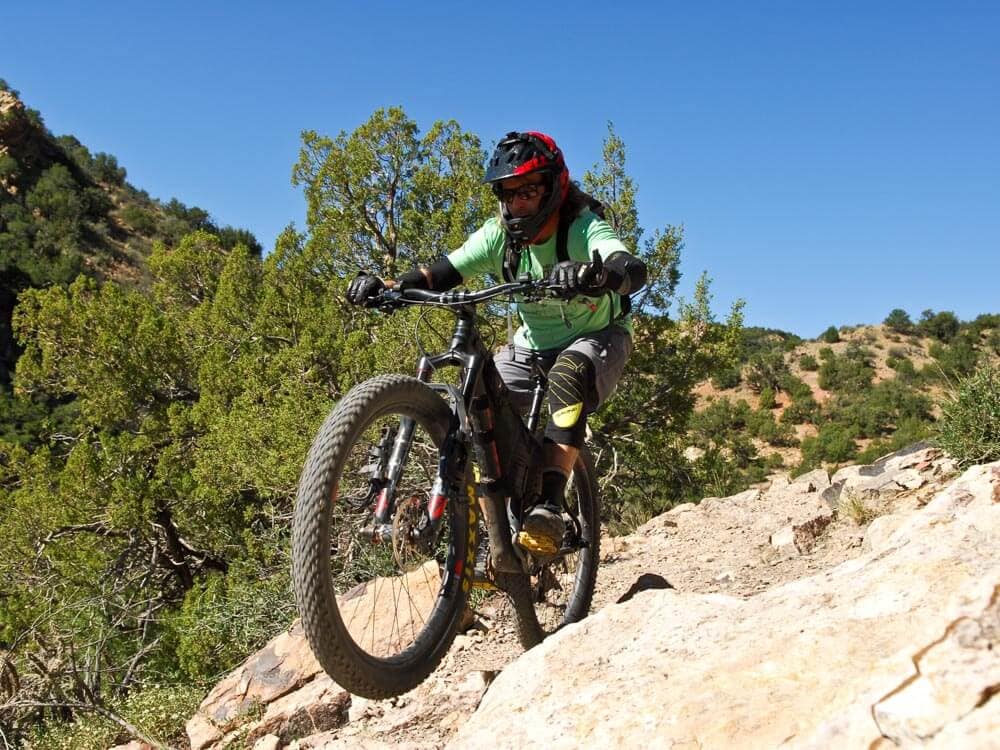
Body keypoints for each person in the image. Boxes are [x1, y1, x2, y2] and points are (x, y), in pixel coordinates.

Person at [346, 131, 647, 556]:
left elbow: (626, 264)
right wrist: (389, 286)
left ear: (553, 188)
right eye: (507, 193)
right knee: (476, 407)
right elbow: (440, 273)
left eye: (527, 191)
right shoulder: (498, 237)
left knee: (568, 372)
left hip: (598, 338)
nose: (516, 203)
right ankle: (493, 530)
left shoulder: (581, 228)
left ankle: (549, 507)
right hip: (530, 347)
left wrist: (599, 273)